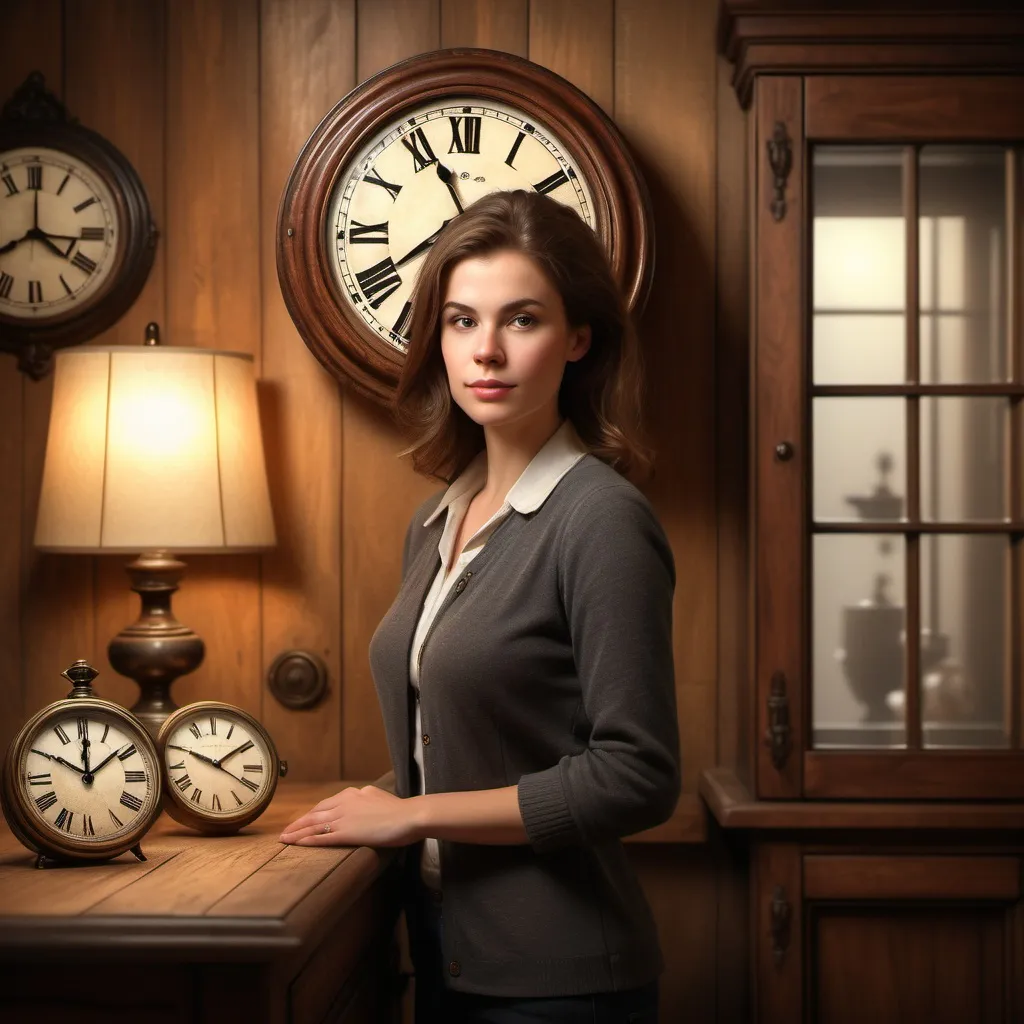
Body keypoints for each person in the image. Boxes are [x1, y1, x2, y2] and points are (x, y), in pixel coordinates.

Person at [280, 189, 679, 1023]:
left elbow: (638, 776)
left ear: (578, 339)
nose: (486, 351)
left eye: (521, 320)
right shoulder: (438, 519)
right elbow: (450, 741)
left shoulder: (599, 518)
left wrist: (410, 815)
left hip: (560, 984)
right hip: (439, 949)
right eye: (462, 321)